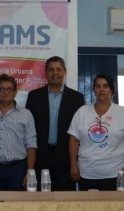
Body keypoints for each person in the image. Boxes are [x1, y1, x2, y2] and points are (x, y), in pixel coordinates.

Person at [25, 57, 85, 191]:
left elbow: (80, 131)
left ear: (65, 72)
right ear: (46, 73)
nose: (55, 73)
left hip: (66, 158)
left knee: (64, 198)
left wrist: (75, 162)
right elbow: (28, 128)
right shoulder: (34, 96)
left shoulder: (77, 98)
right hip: (41, 157)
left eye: (59, 69)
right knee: (39, 197)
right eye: (51, 70)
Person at [69, 73, 124, 190]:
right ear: (93, 90)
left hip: (116, 173)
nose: (101, 89)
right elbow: (73, 140)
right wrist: (73, 165)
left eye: (105, 86)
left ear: (111, 89)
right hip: (87, 173)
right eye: (98, 86)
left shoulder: (123, 112)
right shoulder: (82, 112)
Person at [0, 74, 37, 191]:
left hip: (17, 169)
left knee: (16, 202)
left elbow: (31, 145)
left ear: (15, 92)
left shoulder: (26, 114)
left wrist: (30, 172)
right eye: (1, 89)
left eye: (9, 89)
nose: (5, 92)